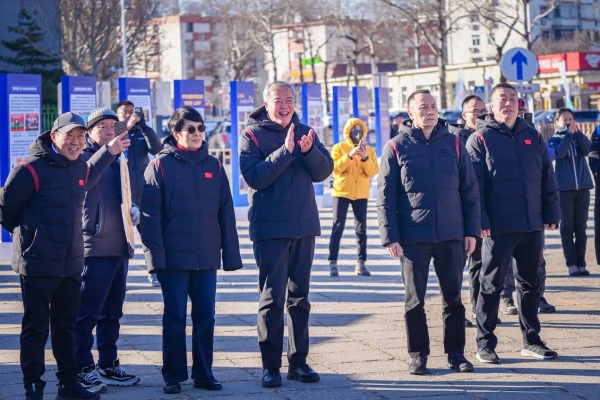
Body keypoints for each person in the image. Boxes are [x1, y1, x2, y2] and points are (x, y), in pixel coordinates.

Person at [0, 112, 129, 400]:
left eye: (80, 137)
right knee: (35, 328)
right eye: (68, 135)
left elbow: (97, 169)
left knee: (66, 327)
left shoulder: (80, 167)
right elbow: (6, 210)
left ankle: (68, 384)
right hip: (37, 263)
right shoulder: (29, 169)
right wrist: (31, 239)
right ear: (54, 136)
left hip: (72, 262)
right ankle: (33, 385)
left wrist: (111, 148)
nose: (74, 142)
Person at [140, 106, 243, 395]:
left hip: (206, 259)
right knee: (174, 317)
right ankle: (173, 376)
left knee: (206, 318)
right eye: (191, 130)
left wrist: (230, 257)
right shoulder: (159, 166)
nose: (198, 134)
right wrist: (155, 261)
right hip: (173, 260)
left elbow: (226, 212)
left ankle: (203, 373)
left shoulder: (214, 166)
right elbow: (150, 219)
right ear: (176, 133)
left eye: (201, 129)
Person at [377, 89, 480, 375]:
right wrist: (391, 237)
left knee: (453, 300)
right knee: (414, 300)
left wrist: (471, 231)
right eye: (423, 107)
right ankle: (418, 355)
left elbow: (470, 191)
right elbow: (385, 197)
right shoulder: (396, 147)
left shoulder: (454, 144)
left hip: (451, 235)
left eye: (433, 106)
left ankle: (456, 353)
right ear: (410, 113)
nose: (430, 111)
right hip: (413, 238)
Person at [239, 81, 333, 388]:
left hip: (304, 225)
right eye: (278, 100)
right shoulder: (251, 134)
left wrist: (307, 153)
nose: (284, 105)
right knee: (272, 298)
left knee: (300, 298)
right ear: (266, 105)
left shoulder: (306, 131)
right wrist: (287, 151)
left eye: (289, 100)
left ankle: (299, 362)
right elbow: (255, 178)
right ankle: (270, 366)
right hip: (270, 228)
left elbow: (323, 172)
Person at [466, 83, 561, 365]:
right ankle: (485, 344)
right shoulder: (480, 139)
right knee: (491, 284)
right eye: (501, 100)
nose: (508, 104)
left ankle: (531, 340)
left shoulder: (532, 135)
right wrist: (480, 221)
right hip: (497, 227)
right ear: (492, 107)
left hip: (532, 224)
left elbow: (547, 177)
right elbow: (474, 187)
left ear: (519, 104)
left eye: (512, 99)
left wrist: (551, 212)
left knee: (531, 284)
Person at [75, 108, 140, 394]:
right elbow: (86, 179)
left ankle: (108, 363)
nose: (109, 130)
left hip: (119, 243)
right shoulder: (83, 155)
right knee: (87, 312)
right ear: (90, 131)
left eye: (113, 125)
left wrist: (132, 208)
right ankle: (81, 367)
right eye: (102, 126)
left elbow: (123, 189)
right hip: (95, 246)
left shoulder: (117, 156)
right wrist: (109, 152)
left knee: (113, 312)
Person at [115, 100, 162, 287]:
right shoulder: (116, 132)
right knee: (119, 237)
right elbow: (111, 145)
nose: (128, 114)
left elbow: (157, 149)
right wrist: (124, 127)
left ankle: (154, 271)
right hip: (121, 193)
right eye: (124, 112)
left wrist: (143, 126)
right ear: (118, 114)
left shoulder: (141, 133)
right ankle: (118, 275)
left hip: (142, 192)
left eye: (131, 112)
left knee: (149, 235)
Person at [328, 118, 379, 277]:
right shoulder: (338, 148)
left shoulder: (369, 150)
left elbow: (373, 172)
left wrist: (364, 157)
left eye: (359, 129)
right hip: (341, 192)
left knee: (361, 229)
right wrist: (349, 155)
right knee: (337, 226)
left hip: (361, 193)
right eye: (353, 129)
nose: (356, 132)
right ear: (347, 131)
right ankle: (332, 262)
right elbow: (334, 169)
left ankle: (361, 263)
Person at [548, 108, 593, 277]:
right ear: (557, 122)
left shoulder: (578, 137)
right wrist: (568, 135)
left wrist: (578, 134)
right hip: (564, 190)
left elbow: (588, 150)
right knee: (567, 228)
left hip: (583, 188)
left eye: (570, 119)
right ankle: (571, 264)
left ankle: (581, 263)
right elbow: (559, 154)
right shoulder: (554, 140)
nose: (568, 122)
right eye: (564, 119)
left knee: (581, 228)